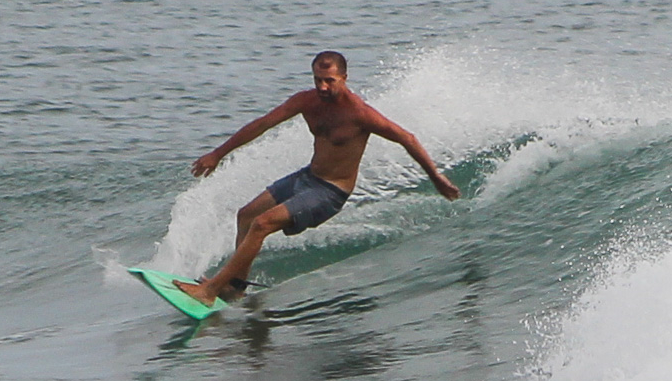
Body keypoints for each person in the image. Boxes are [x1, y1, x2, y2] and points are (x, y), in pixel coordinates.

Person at [177, 51, 460, 305]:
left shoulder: (360, 114)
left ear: (345, 78)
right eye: (318, 80)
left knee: (262, 224)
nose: (323, 87)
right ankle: (235, 288)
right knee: (246, 215)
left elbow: (406, 138)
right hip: (307, 177)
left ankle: (211, 290)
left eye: (330, 81)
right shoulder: (307, 101)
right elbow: (262, 124)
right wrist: (219, 153)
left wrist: (436, 178)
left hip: (330, 191)